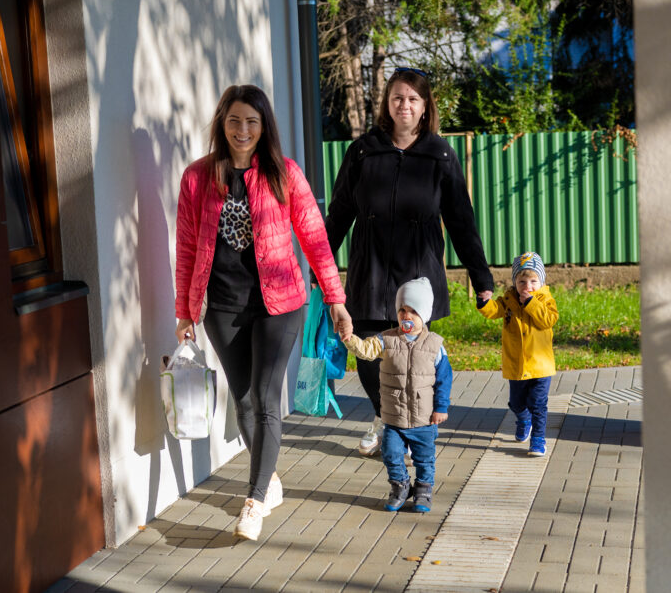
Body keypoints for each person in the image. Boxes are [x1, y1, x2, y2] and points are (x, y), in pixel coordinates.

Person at [174, 85, 351, 541]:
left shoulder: (283, 173)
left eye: (252, 122)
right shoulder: (197, 178)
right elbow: (188, 248)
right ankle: (269, 480)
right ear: (222, 123)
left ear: (264, 126)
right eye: (234, 121)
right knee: (244, 399)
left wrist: (335, 297)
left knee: (266, 396)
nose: (242, 130)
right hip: (221, 307)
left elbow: (315, 239)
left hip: (280, 303)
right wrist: (184, 310)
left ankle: (253, 500)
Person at [324, 67, 494, 457]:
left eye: (413, 99)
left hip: (418, 278)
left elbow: (461, 221)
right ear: (386, 102)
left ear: (424, 107)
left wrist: (481, 278)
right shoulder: (363, 151)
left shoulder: (440, 155)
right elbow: (338, 215)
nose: (405, 105)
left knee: (414, 361)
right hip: (370, 272)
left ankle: (408, 432)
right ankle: (384, 416)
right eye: (398, 97)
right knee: (367, 355)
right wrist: (318, 269)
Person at [339, 277, 451, 512]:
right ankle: (400, 485)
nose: (406, 316)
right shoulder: (386, 339)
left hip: (424, 418)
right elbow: (367, 351)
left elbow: (444, 379)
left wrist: (441, 407)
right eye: (402, 310)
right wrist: (350, 340)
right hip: (393, 416)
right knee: (390, 454)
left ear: (425, 315)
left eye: (413, 311)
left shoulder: (435, 345)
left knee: (424, 458)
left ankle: (423, 490)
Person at [476, 252, 559, 456]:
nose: (527, 286)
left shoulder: (545, 300)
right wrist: (484, 302)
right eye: (522, 281)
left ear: (541, 281)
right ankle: (523, 419)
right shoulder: (509, 299)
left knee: (538, 404)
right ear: (515, 282)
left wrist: (531, 302)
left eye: (533, 281)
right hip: (516, 364)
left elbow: (548, 320)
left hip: (540, 365)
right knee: (516, 403)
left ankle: (538, 440)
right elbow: (494, 311)